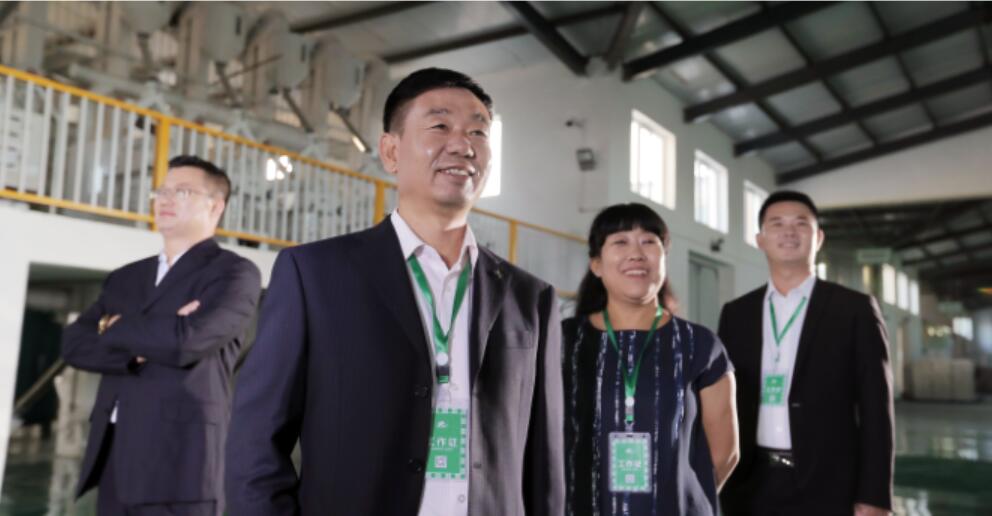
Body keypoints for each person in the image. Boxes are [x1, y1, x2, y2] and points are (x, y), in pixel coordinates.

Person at [225, 67, 564, 515]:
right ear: (390, 151)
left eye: (478, 132)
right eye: (440, 126)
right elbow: (255, 440)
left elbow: (544, 462)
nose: (463, 145)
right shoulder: (316, 275)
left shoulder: (531, 298)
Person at [61, 155, 262, 516]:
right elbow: (73, 344)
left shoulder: (234, 273)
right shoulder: (125, 278)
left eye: (182, 192)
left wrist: (112, 325)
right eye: (162, 191)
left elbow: (187, 342)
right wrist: (138, 350)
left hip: (181, 465)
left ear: (215, 206)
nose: (165, 200)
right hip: (114, 459)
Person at [718, 190, 894, 516]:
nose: (789, 231)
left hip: (829, 483)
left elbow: (876, 408)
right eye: (777, 224)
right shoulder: (736, 313)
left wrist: (875, 496)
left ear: (819, 238)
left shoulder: (853, 309)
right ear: (760, 239)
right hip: (750, 485)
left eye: (801, 223)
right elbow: (723, 403)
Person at [562, 203, 739, 516]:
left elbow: (725, 453)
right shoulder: (564, 341)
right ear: (596, 264)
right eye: (620, 242)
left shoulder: (699, 345)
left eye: (648, 242)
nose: (636, 253)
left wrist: (682, 499)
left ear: (664, 258)